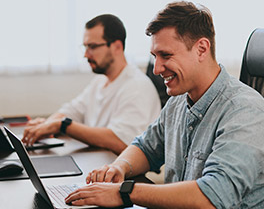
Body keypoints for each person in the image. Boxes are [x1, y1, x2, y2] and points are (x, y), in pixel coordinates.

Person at [65, 1, 264, 209]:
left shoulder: (246, 112)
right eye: (154, 56)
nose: (157, 69)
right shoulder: (178, 101)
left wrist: (124, 191)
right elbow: (146, 147)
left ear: (201, 49)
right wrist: (119, 168)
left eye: (165, 55)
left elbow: (213, 197)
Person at [22, 14, 161, 155]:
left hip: (121, 171)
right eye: (85, 47)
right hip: (99, 163)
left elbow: (121, 141)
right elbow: (72, 110)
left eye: (92, 47)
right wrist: (47, 126)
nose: (86, 55)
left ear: (117, 47)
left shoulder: (137, 87)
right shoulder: (100, 81)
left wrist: (61, 125)